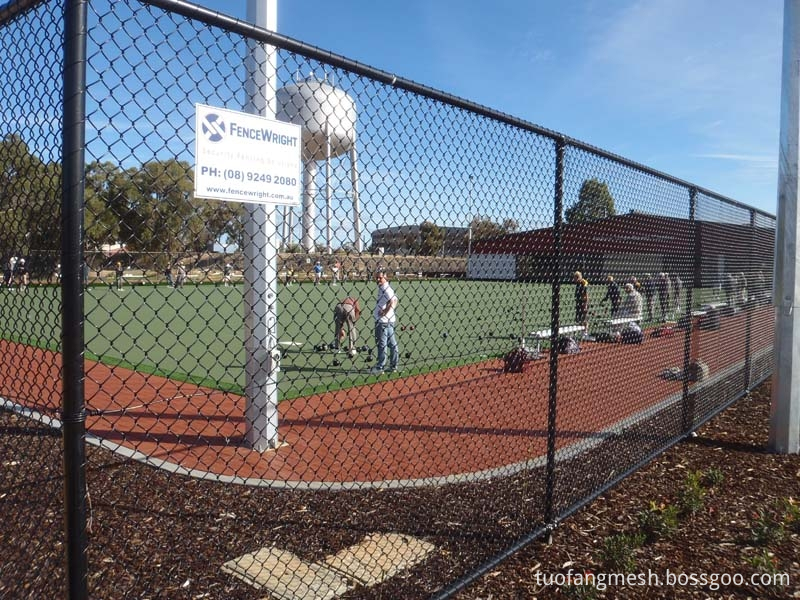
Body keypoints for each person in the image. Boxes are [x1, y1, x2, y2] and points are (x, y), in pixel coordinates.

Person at [370, 270, 399, 374]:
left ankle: (380, 367)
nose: (378, 280)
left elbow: (393, 301)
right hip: (389, 320)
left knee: (381, 344)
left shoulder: (386, 288)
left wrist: (385, 312)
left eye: (380, 278)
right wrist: (390, 310)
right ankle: (393, 366)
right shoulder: (385, 288)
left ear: (385, 278)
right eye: (376, 277)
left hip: (382, 321)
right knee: (392, 343)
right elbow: (395, 300)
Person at [573, 271, 589, 335]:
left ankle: (585, 331)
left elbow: (586, 294)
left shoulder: (583, 282)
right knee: (578, 317)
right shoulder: (578, 283)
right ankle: (580, 330)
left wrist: (585, 304)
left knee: (584, 317)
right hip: (579, 302)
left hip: (583, 302)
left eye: (575, 277)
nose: (574, 279)